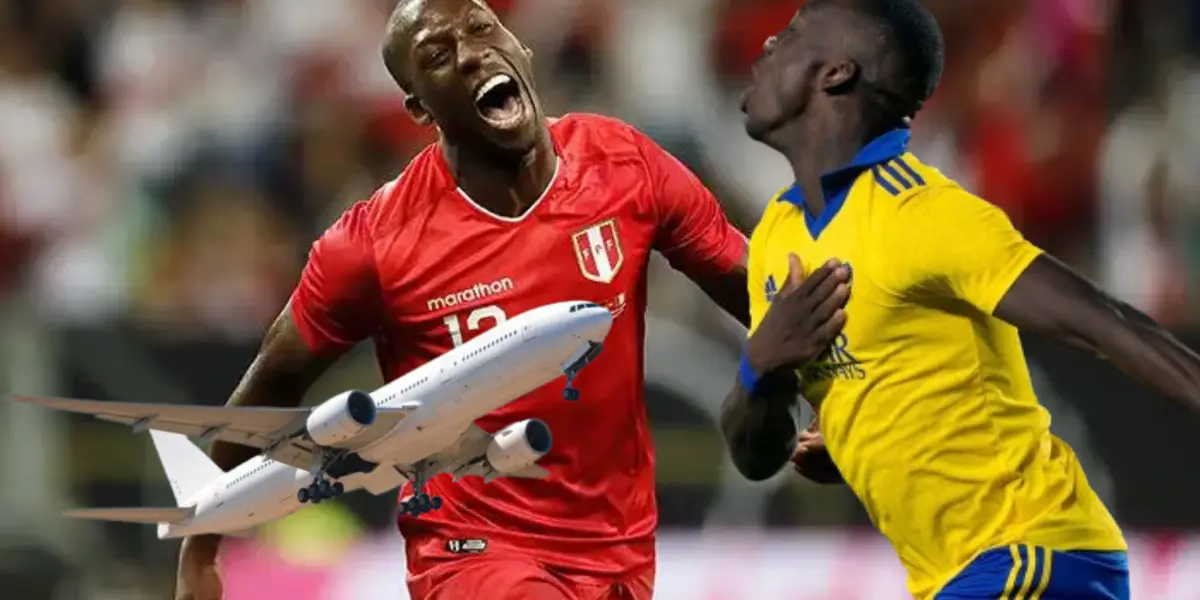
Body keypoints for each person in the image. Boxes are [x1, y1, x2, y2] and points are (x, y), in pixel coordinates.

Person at [173, 1, 841, 599]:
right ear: (418, 108)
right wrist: (199, 546)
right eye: (437, 55)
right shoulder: (373, 245)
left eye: (482, 27)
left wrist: (845, 410)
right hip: (472, 552)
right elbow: (268, 386)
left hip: (618, 551)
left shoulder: (623, 167)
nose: (470, 52)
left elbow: (771, 302)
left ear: (518, 49)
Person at [721, 1, 1200, 599]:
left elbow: (1102, 323)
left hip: (1035, 552)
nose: (766, 43)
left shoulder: (922, 213)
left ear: (837, 72)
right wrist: (761, 369)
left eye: (791, 35)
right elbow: (756, 456)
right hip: (955, 578)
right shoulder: (776, 236)